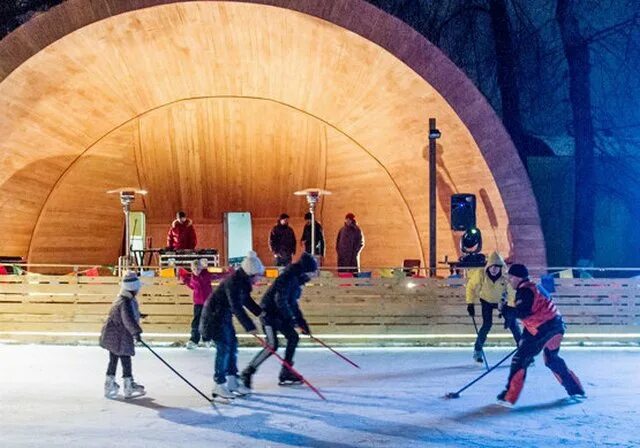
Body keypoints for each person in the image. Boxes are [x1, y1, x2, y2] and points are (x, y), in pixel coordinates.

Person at [497, 263, 585, 406]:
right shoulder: (534, 286)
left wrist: (505, 309)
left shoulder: (525, 291)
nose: (509, 280)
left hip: (543, 328)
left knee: (519, 360)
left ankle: (509, 396)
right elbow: (533, 313)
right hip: (556, 325)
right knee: (551, 359)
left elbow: (523, 312)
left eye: (510, 277)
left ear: (518, 278)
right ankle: (576, 390)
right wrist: (524, 337)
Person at [241, 253, 317, 389]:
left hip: (279, 314)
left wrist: (301, 322)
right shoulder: (289, 277)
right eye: (312, 272)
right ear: (305, 270)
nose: (312, 276)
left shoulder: (296, 279)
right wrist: (291, 320)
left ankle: (286, 371)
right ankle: (248, 372)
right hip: (268, 314)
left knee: (293, 337)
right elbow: (280, 300)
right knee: (272, 345)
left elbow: (292, 303)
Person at [200, 251, 264, 400]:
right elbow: (236, 306)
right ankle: (219, 384)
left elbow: (246, 300)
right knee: (224, 349)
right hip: (214, 318)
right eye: (257, 275)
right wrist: (249, 326)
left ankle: (232, 381)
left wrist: (260, 313)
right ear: (250, 273)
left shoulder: (242, 282)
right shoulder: (234, 282)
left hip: (224, 317)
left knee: (233, 347)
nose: (258, 279)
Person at [465, 251, 521, 363]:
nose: (494, 269)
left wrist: (511, 310)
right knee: (486, 325)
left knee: (513, 324)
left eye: (497, 267)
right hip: (486, 301)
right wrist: (470, 303)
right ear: (488, 266)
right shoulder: (481, 274)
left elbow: (511, 293)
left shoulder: (506, 278)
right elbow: (470, 287)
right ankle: (477, 350)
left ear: (501, 268)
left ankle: (524, 351)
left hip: (502, 302)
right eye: (492, 266)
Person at [100, 271, 146, 399]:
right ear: (133, 289)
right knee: (125, 359)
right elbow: (127, 319)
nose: (138, 291)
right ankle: (128, 385)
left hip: (113, 335)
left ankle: (109, 385)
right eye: (137, 288)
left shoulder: (123, 299)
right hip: (119, 335)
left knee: (114, 359)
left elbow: (127, 315)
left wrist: (139, 315)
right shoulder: (125, 302)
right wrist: (136, 333)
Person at [179, 259, 213, 349]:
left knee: (206, 321)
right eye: (194, 269)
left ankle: (207, 339)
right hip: (197, 303)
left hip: (207, 303)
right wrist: (185, 280)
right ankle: (194, 340)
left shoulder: (206, 275)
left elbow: (217, 276)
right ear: (192, 269)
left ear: (201, 268)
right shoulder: (192, 278)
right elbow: (192, 286)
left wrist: (229, 273)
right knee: (196, 322)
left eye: (198, 269)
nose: (196, 271)